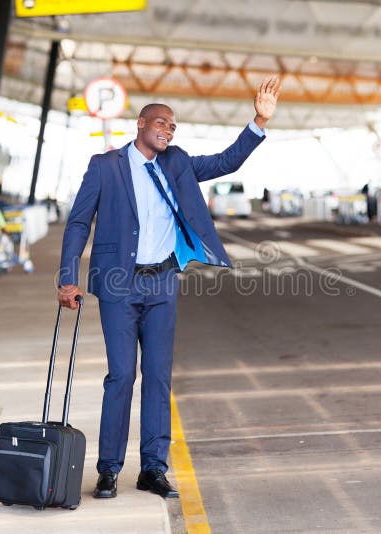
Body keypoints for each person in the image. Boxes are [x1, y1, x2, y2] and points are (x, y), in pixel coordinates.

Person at [57, 76, 280, 499]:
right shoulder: (105, 167)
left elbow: (225, 162)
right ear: (140, 124)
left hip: (162, 283)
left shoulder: (176, 163)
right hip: (119, 286)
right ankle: (109, 470)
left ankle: (153, 469)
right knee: (121, 376)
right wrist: (68, 278)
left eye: (173, 126)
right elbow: (79, 222)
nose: (168, 130)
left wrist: (258, 121)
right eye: (161, 122)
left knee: (158, 378)